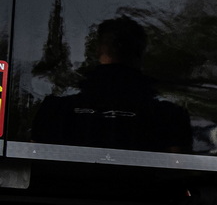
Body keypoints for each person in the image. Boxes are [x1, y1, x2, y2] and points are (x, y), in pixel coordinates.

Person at [33, 16, 192, 153]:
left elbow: (36, 157)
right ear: (141, 53)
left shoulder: (55, 110)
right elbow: (176, 169)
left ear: (99, 50)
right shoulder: (170, 116)